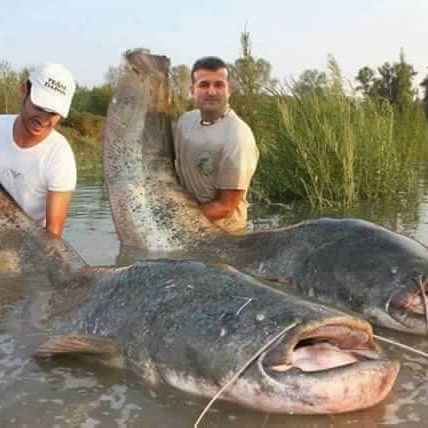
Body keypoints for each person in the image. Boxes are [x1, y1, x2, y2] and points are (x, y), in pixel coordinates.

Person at [174, 56, 259, 234]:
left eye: (219, 85)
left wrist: (177, 223)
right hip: (189, 229)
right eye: (204, 85)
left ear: (229, 90)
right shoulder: (185, 122)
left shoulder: (238, 136)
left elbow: (226, 206)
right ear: (192, 90)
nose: (211, 92)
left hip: (224, 237)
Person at [0, 62, 77, 237]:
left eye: (53, 113)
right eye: (39, 107)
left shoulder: (60, 156)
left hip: (26, 245)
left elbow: (53, 236)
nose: (43, 119)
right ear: (24, 91)